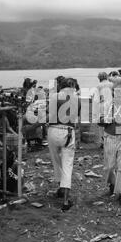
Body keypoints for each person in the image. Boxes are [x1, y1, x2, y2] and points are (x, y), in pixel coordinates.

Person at [48, 78, 80, 211]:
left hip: (53, 131)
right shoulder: (76, 98)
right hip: (67, 131)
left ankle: (60, 189)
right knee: (67, 165)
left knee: (56, 162)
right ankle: (66, 201)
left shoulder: (54, 96)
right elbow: (75, 117)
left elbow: (50, 114)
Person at [101, 77, 121, 205]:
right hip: (110, 137)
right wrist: (108, 120)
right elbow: (100, 121)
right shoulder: (107, 106)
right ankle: (112, 184)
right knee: (110, 166)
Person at [93, 72, 113, 148]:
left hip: (101, 105)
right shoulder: (111, 84)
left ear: (99, 78)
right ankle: (109, 139)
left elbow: (96, 98)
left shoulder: (98, 86)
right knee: (110, 122)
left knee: (101, 124)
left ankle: (103, 141)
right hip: (110, 105)